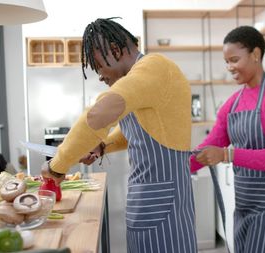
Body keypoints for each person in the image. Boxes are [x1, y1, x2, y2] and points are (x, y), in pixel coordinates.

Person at [41, 17, 197, 253]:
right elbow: (140, 130)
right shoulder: (143, 77)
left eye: (99, 67)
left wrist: (57, 166)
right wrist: (102, 146)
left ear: (115, 50)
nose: (101, 77)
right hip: (148, 198)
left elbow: (98, 115)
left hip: (163, 202)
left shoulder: (155, 68)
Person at [190, 26, 265, 253]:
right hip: (244, 203)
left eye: (234, 59)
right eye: (226, 62)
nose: (230, 67)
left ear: (256, 54)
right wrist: (172, 163)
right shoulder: (232, 103)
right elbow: (210, 146)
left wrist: (226, 155)